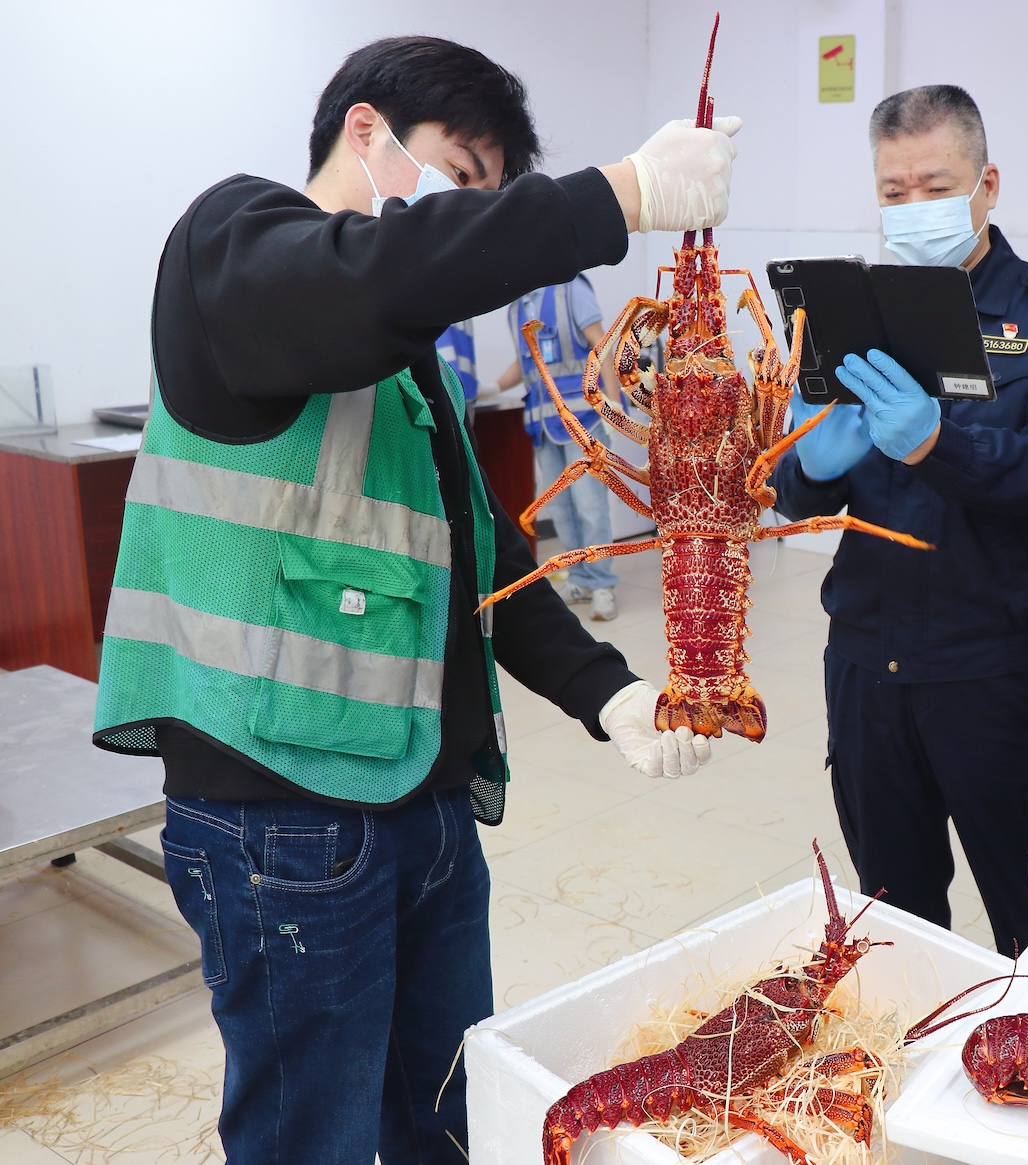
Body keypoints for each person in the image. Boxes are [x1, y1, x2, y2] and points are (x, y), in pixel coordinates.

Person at [91, 36, 735, 1163]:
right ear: (363, 130)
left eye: (492, 196)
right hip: (278, 815)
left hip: (424, 804)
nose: (470, 217)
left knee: (447, 1117)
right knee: (313, 1137)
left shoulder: (407, 365)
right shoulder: (230, 246)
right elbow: (373, 276)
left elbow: (477, 550)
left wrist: (612, 691)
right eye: (460, 172)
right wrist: (617, 195)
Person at [772, 85, 1028, 955]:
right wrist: (809, 468)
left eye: (936, 185)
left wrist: (939, 444)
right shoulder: (850, 311)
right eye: (895, 191)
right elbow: (792, 486)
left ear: (987, 183)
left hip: (994, 669)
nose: (914, 207)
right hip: (866, 661)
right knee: (891, 917)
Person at [496, 272, 624, 617]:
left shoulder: (571, 290)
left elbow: (602, 349)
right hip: (542, 423)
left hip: (584, 422)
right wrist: (488, 388)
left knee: (589, 506)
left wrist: (614, 410)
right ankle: (580, 578)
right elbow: (525, 366)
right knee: (562, 509)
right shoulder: (515, 308)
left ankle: (602, 584)